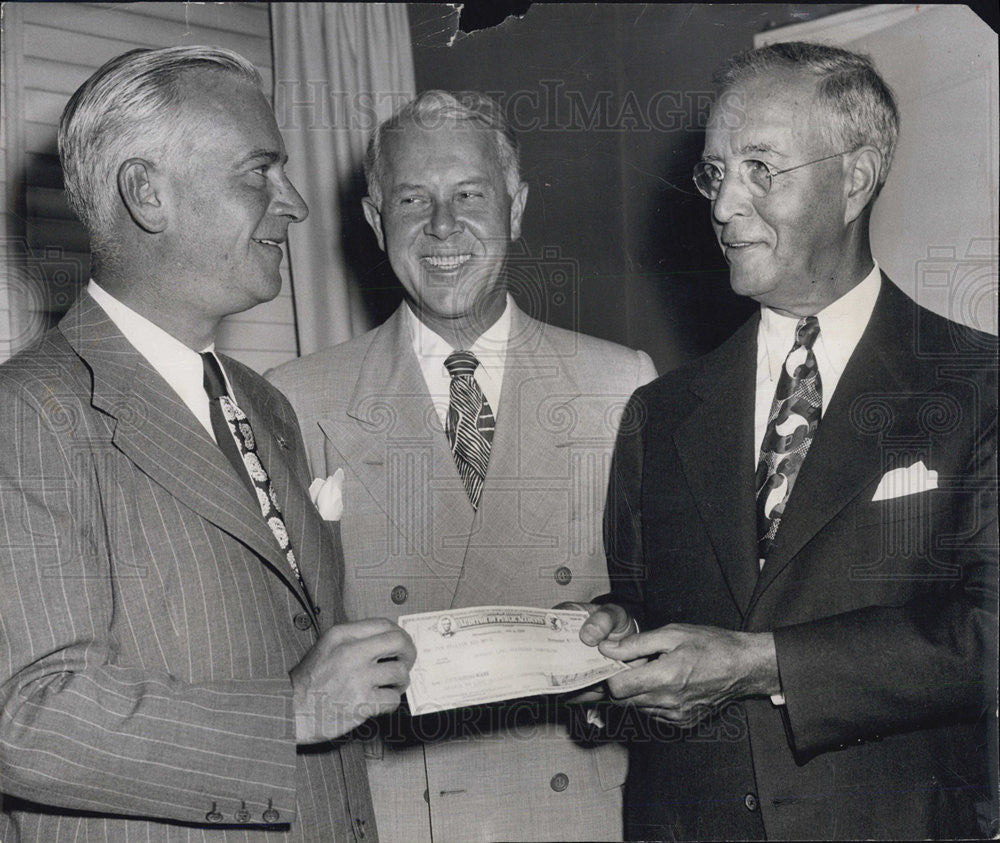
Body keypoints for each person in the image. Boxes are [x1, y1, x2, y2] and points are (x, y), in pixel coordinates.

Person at [578, 41, 998, 840]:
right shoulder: (658, 412)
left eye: (760, 168)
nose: (724, 205)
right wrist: (609, 635)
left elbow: (987, 630)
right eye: (714, 171)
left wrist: (760, 660)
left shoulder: (976, 387)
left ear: (856, 177)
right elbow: (642, 600)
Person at [0, 46, 416, 841]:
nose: (292, 204)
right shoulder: (28, 415)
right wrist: (290, 709)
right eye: (258, 171)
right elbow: (24, 717)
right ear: (146, 193)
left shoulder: (265, 405)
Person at [267, 90, 657, 842]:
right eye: (413, 199)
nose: (442, 227)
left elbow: (677, 600)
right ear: (377, 222)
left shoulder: (621, 383)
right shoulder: (295, 397)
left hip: (574, 810)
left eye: (469, 196)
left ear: (514, 208)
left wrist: (625, 623)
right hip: (395, 816)